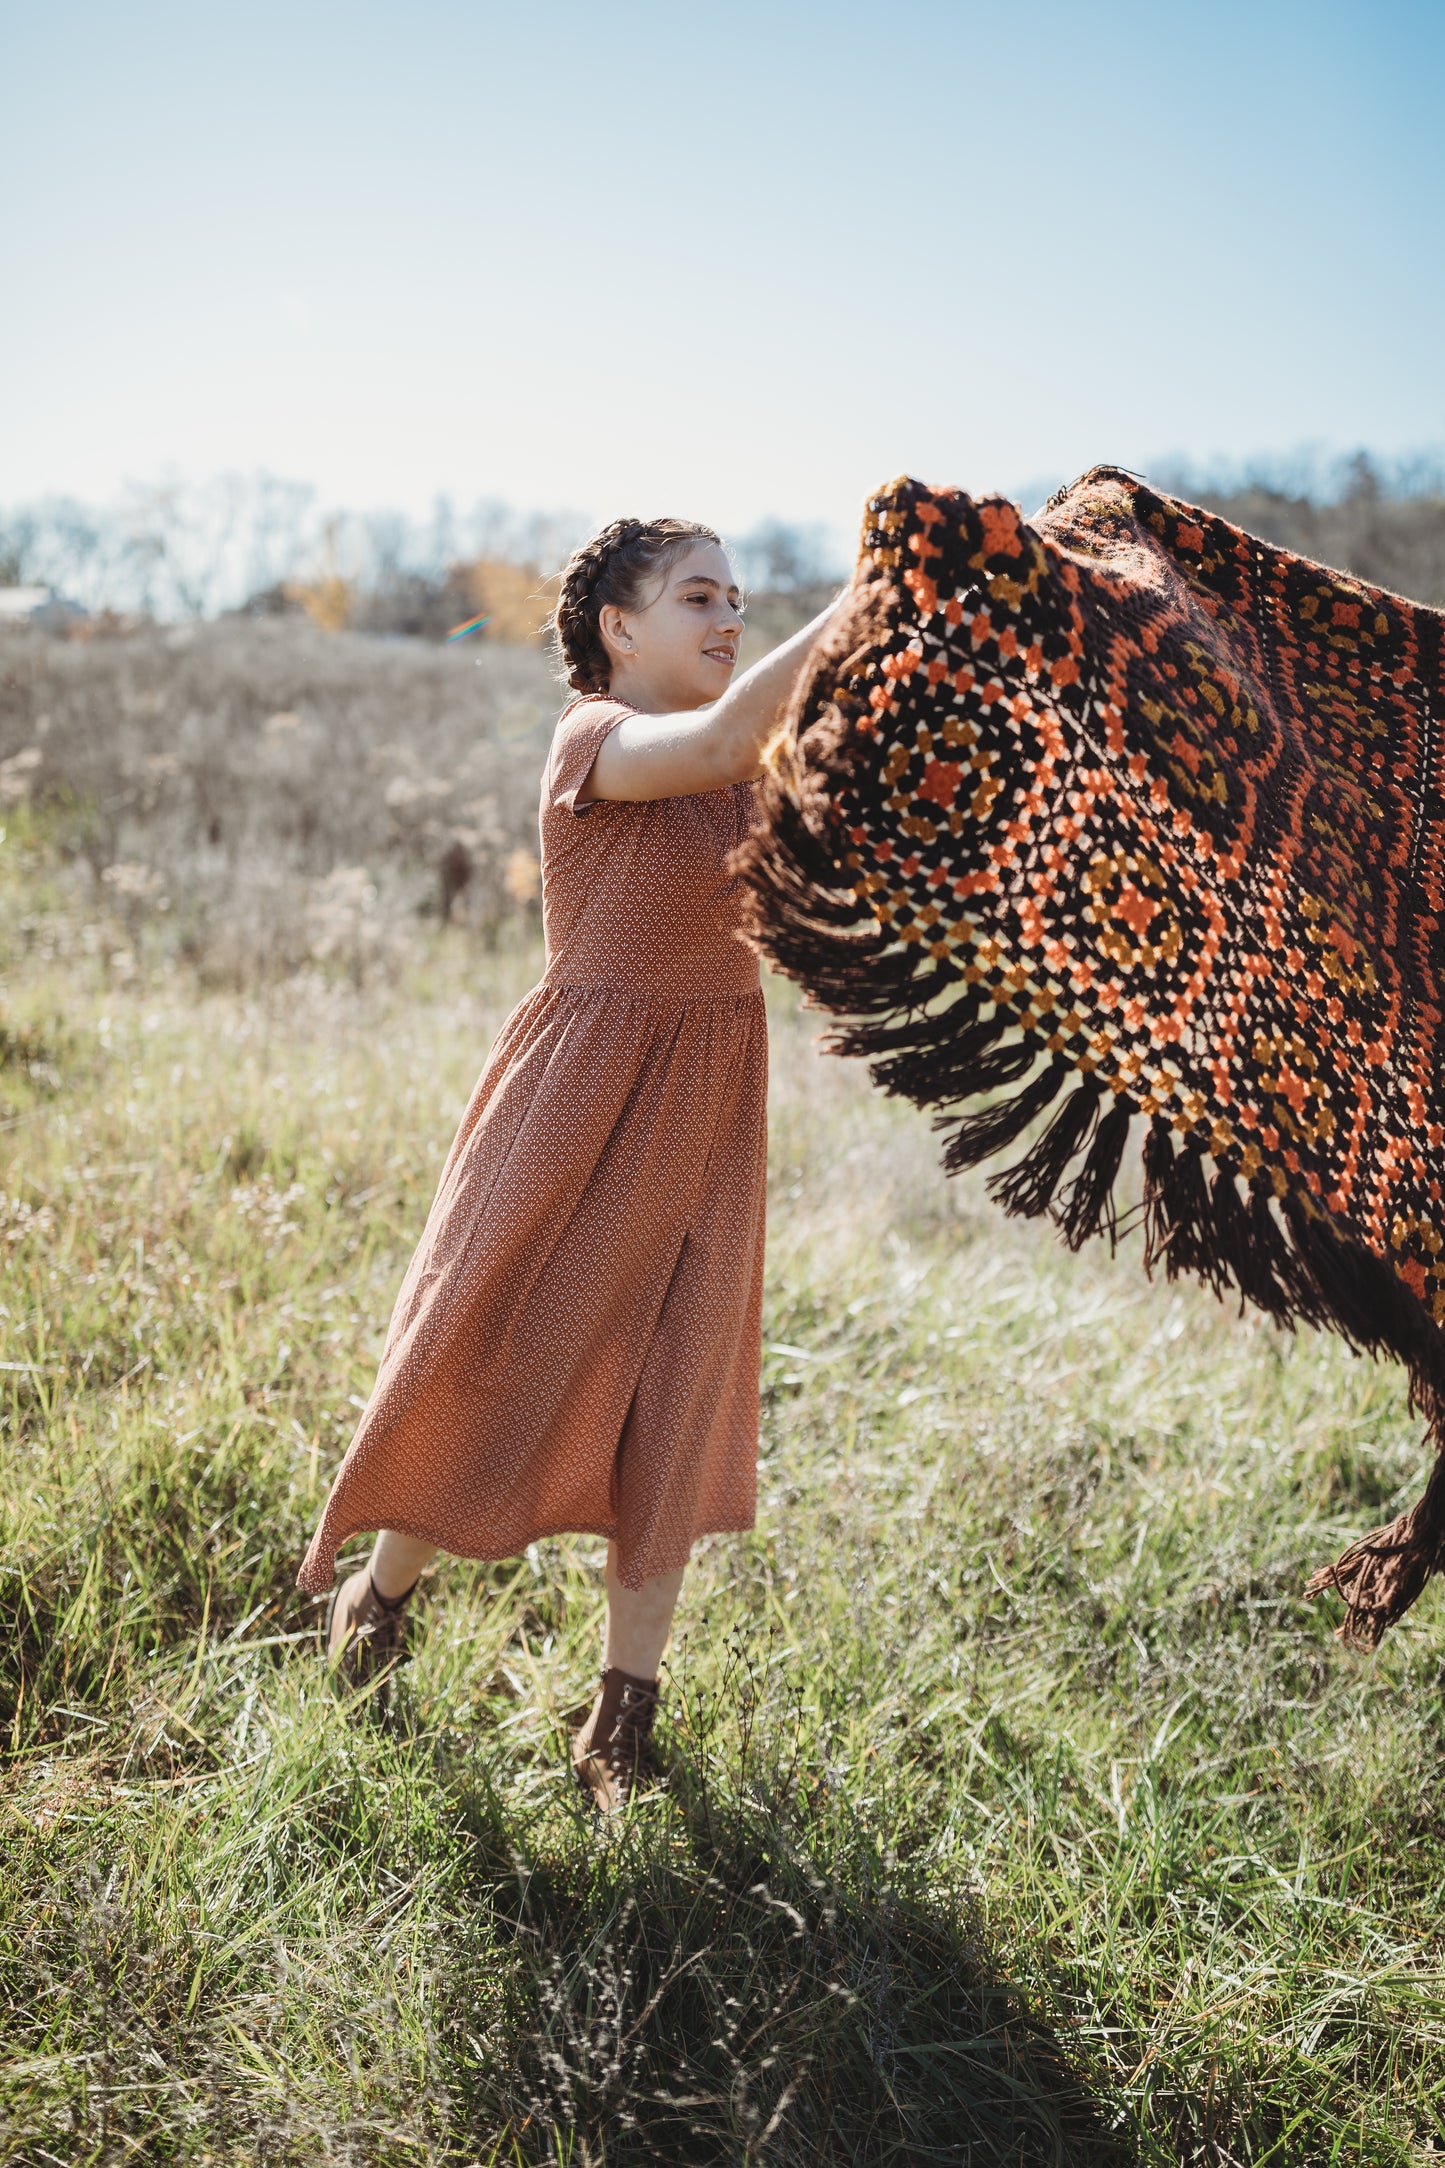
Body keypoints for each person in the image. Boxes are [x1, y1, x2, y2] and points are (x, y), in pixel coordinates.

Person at [297, 514, 841, 1809]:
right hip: (582, 1100)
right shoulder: (596, 741)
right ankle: (380, 1601)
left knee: (676, 1391)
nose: (729, 619)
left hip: (711, 1100)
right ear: (619, 625)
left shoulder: (754, 769)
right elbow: (711, 739)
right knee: (499, 1356)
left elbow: (802, 806)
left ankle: (622, 1722)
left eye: (739, 601)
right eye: (699, 596)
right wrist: (876, 591)